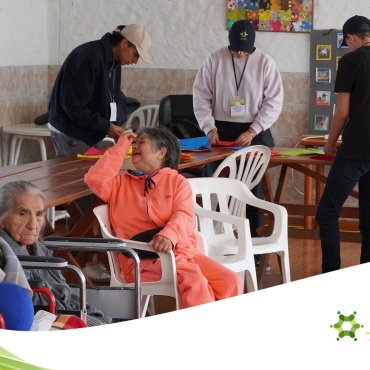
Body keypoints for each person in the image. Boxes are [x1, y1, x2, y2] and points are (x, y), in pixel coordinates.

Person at [84, 126, 242, 309]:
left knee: (231, 281)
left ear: (162, 152)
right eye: (133, 144)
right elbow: (94, 179)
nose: (134, 147)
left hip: (183, 253)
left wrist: (168, 235)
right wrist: (121, 145)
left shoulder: (177, 182)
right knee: (195, 282)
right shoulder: (119, 184)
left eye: (141, 142)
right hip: (141, 258)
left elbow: (184, 215)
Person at [193, 19, 283, 244]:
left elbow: (273, 102)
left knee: (251, 186)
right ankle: (214, 239)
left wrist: (253, 130)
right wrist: (209, 127)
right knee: (216, 182)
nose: (241, 54)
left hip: (254, 130)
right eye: (236, 49)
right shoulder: (214, 59)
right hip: (220, 129)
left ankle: (253, 238)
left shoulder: (265, 63)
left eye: (246, 50)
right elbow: (201, 96)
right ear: (228, 43)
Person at [0, 180, 112, 327]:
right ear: (2, 219)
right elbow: (42, 306)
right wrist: (92, 323)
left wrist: (96, 317)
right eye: (23, 213)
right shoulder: (6, 256)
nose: (33, 224)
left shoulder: (38, 248)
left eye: (39, 214)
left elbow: (67, 293)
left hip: (74, 315)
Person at [48, 23, 152, 157]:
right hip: (71, 131)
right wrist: (105, 126)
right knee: (77, 177)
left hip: (88, 131)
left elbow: (111, 97)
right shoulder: (89, 57)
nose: (135, 61)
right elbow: (74, 106)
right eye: (136, 54)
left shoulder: (115, 63)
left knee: (93, 175)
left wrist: (114, 126)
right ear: (124, 43)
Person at [316, 15, 370, 273]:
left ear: (350, 37)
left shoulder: (351, 59)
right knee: (369, 218)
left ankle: (331, 275)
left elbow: (342, 112)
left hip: (356, 149)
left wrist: (330, 143)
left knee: (327, 212)